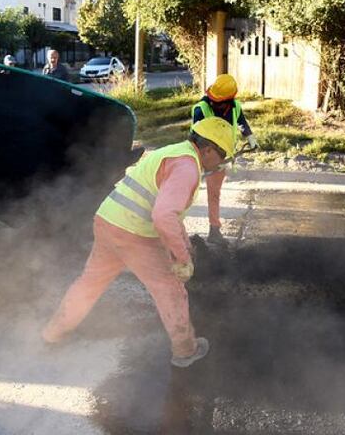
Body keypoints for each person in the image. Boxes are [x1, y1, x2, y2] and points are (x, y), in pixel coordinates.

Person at [41, 117, 235, 367]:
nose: (221, 164)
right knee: (170, 290)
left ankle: (52, 335)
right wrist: (183, 259)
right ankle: (185, 350)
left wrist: (184, 244)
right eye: (222, 157)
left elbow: (168, 214)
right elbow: (164, 216)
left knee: (89, 283)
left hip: (108, 220)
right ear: (208, 150)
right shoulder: (187, 167)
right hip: (134, 234)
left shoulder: (174, 151)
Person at [192, 74, 257, 245]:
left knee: (214, 194)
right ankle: (172, 231)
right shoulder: (201, 109)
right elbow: (196, 138)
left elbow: (241, 121)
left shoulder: (234, 106)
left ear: (229, 99)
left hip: (221, 158)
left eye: (219, 101)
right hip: (202, 156)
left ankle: (214, 230)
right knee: (187, 193)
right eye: (213, 99)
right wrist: (208, 161)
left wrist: (249, 137)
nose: (214, 102)